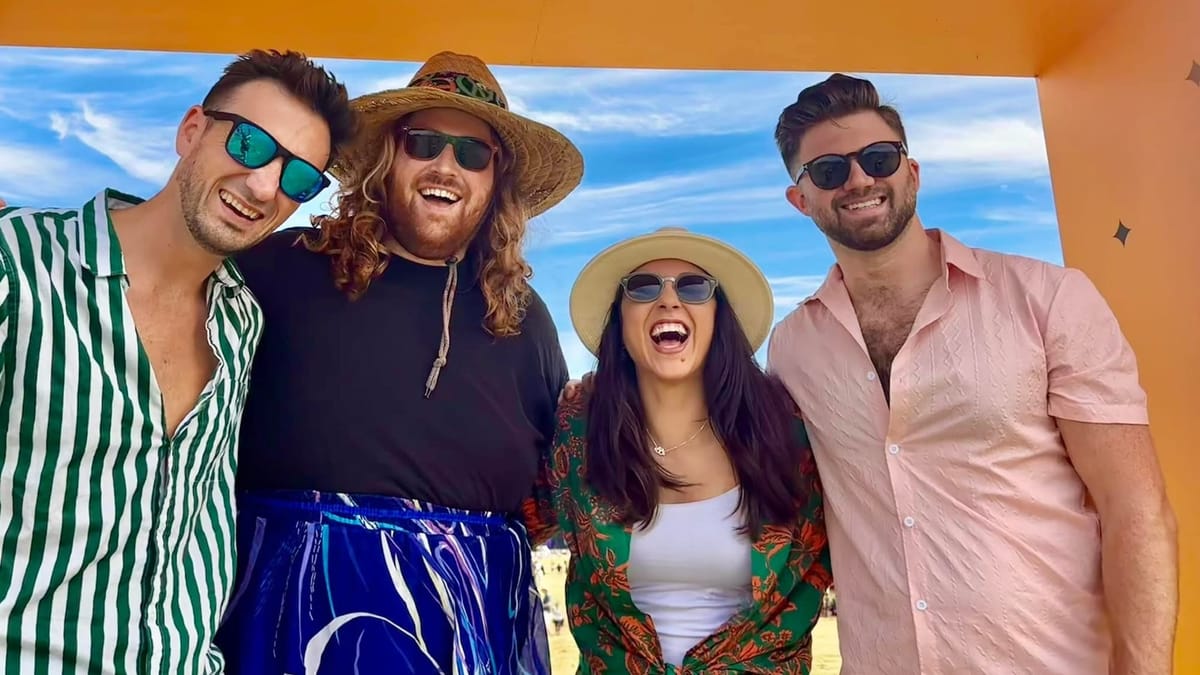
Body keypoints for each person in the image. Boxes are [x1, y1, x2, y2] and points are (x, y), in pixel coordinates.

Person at [767, 73, 1178, 674]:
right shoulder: (792, 347)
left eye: (878, 159)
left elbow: (1134, 509)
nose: (858, 180)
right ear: (800, 199)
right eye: (828, 170)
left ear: (911, 172)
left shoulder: (1047, 299)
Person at [213, 51, 584, 674]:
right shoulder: (274, 270)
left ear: (496, 180)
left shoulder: (524, 320)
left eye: (473, 154)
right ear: (388, 157)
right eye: (424, 143)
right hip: (282, 622)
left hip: (475, 628)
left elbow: (553, 489)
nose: (446, 166)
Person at [0, 49, 353, 674]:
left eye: (299, 178)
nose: (264, 186)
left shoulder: (241, 323)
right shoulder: (18, 262)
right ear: (192, 130)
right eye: (250, 144)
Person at [525, 227, 832, 673]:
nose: (669, 300)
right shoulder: (577, 435)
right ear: (620, 323)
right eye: (643, 287)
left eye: (693, 287)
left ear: (719, 317)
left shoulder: (788, 434)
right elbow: (506, 515)